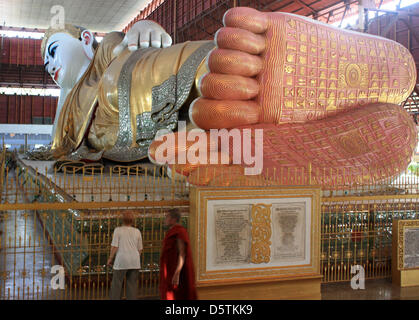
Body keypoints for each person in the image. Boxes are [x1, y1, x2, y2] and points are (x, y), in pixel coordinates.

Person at [159, 208, 197, 300]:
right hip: (169, 269)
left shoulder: (180, 231)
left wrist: (177, 273)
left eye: (167, 217)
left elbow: (182, 254)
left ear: (174, 219)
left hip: (175, 271)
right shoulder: (172, 231)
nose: (165, 219)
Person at [107, 211, 143, 300]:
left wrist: (110, 258)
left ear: (122, 220)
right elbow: (140, 249)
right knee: (132, 286)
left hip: (121, 261)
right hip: (135, 261)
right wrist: (134, 257)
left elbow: (115, 246)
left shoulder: (118, 230)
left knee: (117, 285)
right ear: (132, 220)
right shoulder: (137, 231)